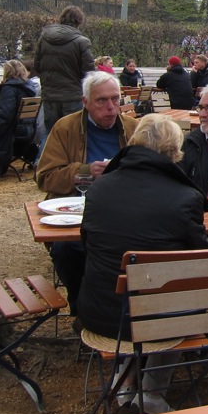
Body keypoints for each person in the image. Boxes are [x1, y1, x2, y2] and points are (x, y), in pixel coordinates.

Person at [77, 114, 208, 414]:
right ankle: (151, 392)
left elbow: (87, 245)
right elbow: (202, 262)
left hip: (101, 313)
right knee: (177, 297)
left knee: (133, 293)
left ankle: (124, 385)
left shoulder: (99, 188)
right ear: (174, 150)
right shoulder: (186, 197)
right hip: (162, 320)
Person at [37, 72, 139, 314]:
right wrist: (85, 172)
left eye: (115, 99)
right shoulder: (66, 128)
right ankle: (81, 307)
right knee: (67, 249)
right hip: (78, 209)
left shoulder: (134, 128)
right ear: (85, 102)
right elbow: (45, 177)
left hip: (124, 208)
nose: (111, 107)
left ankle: (123, 308)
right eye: (101, 100)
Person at [36, 5, 95, 132]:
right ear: (78, 21)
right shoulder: (81, 42)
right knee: (73, 133)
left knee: (51, 133)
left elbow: (37, 66)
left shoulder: (44, 39)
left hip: (49, 95)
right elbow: (88, 72)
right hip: (72, 96)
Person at [0, 59, 37, 177]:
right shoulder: (28, 87)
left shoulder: (9, 89)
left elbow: (5, 115)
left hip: (8, 132)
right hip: (26, 131)